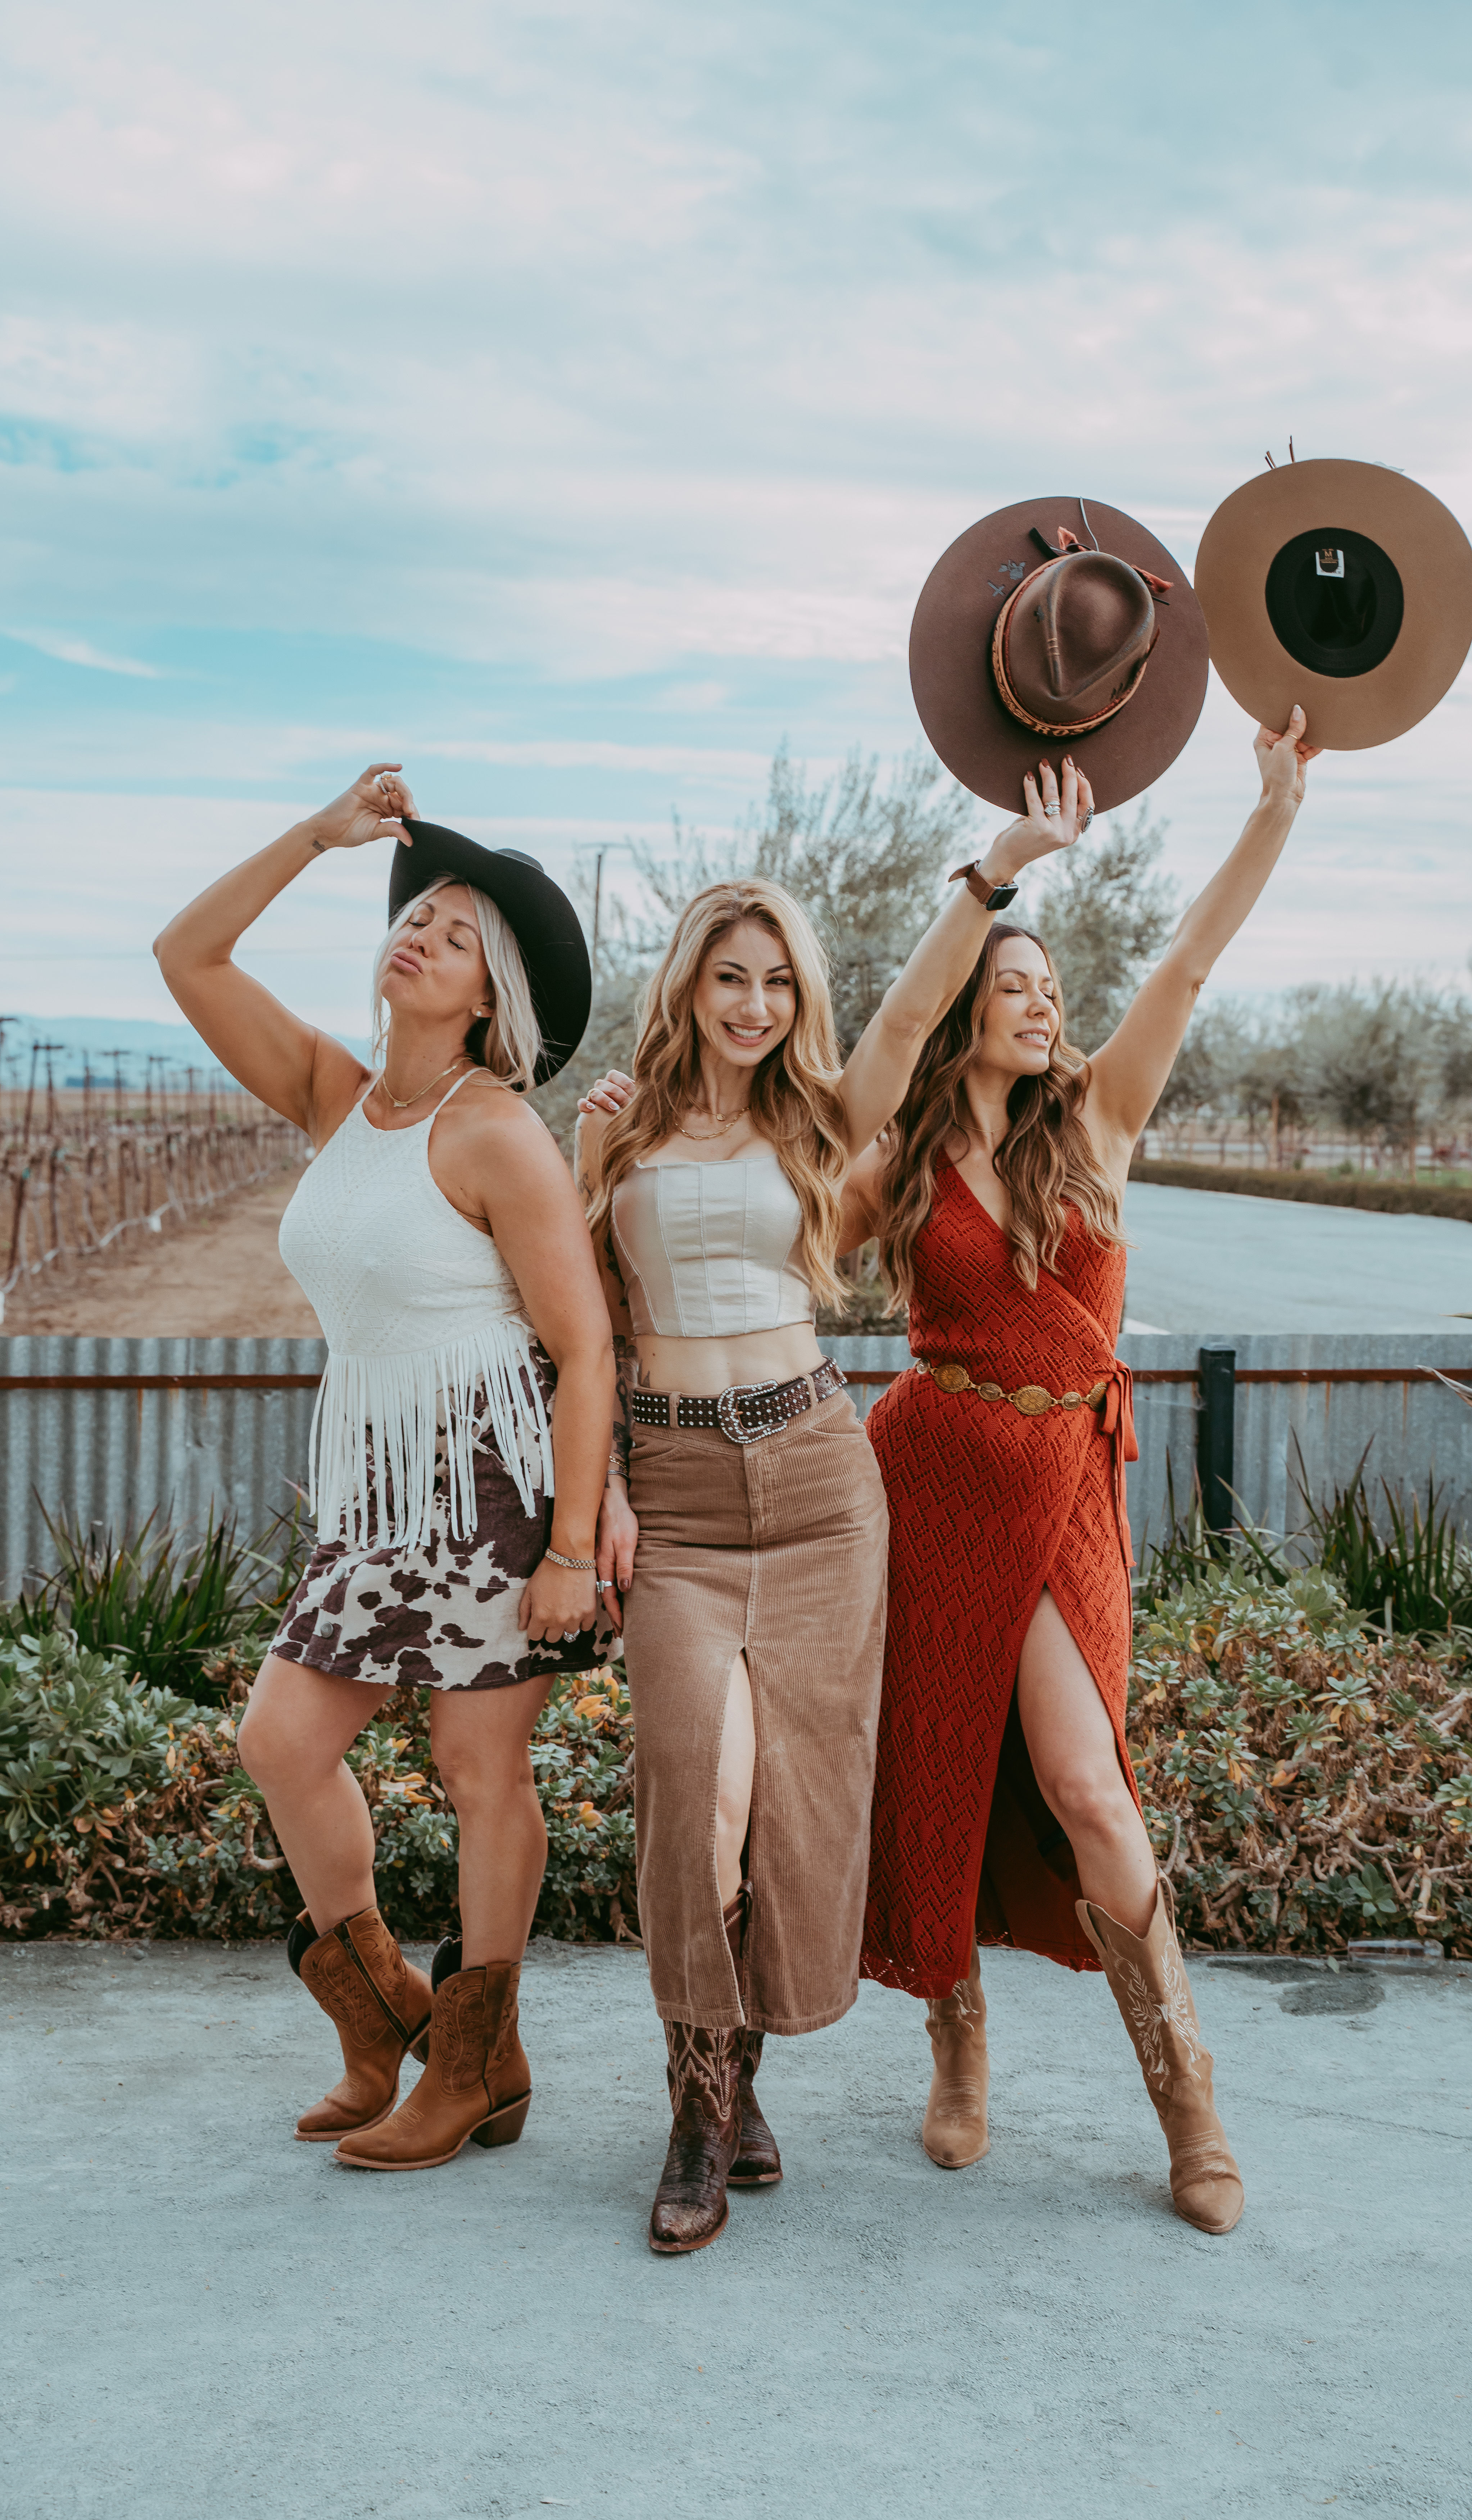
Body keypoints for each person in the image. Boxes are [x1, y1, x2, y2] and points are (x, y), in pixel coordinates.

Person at [576, 772, 1083, 2255]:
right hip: (672, 1491)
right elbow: (584, 1330)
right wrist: (596, 1494)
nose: (751, 1003)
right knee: (702, 1794)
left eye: (776, 981)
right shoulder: (612, 1133)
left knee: (791, 1809)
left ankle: (728, 2088)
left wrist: (996, 869)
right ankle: (693, 2099)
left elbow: (919, 1017)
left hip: (811, 1483)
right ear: (689, 988)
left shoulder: (824, 1117)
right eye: (729, 978)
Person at [846, 713, 1318, 2235]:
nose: (1041, 1006)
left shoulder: (1101, 1118)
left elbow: (1187, 958)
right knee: (937, 1768)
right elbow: (806, 1183)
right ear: (965, 1011)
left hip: (1067, 1484)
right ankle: (955, 2035)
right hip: (929, 1475)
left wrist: (1274, 809)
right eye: (1013, 987)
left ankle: (1188, 2098)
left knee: (1084, 1786)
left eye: (1053, 989)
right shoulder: (905, 1165)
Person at [154, 762, 616, 2172]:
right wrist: (320, 836)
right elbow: (188, 955)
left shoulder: (499, 1137)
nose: (417, 933)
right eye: (416, 915)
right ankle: (382, 2019)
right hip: (374, 1494)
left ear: (491, 997)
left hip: (490, 1480)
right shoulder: (335, 1096)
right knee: (280, 1743)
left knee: (482, 1772)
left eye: (457, 933)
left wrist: (572, 1551)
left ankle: (473, 2065)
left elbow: (584, 1350)